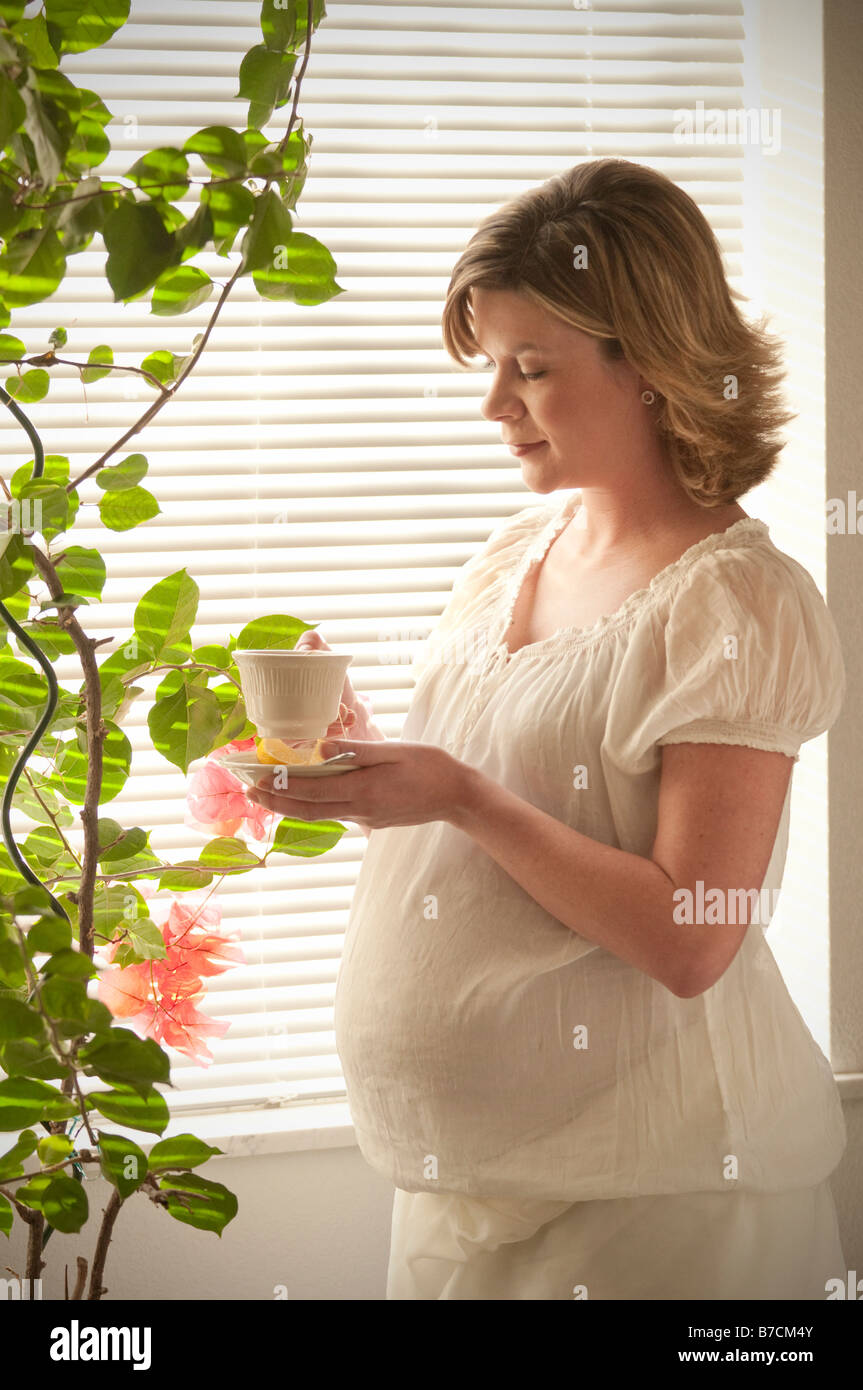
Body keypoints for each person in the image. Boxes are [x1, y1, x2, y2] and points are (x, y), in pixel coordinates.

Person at [248, 158, 848, 1300]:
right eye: (490, 365)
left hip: (658, 1205)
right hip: (465, 1182)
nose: (493, 403)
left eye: (531, 367)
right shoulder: (509, 556)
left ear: (653, 370)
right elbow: (503, 815)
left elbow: (690, 935)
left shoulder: (734, 601)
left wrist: (457, 794)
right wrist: (369, 766)